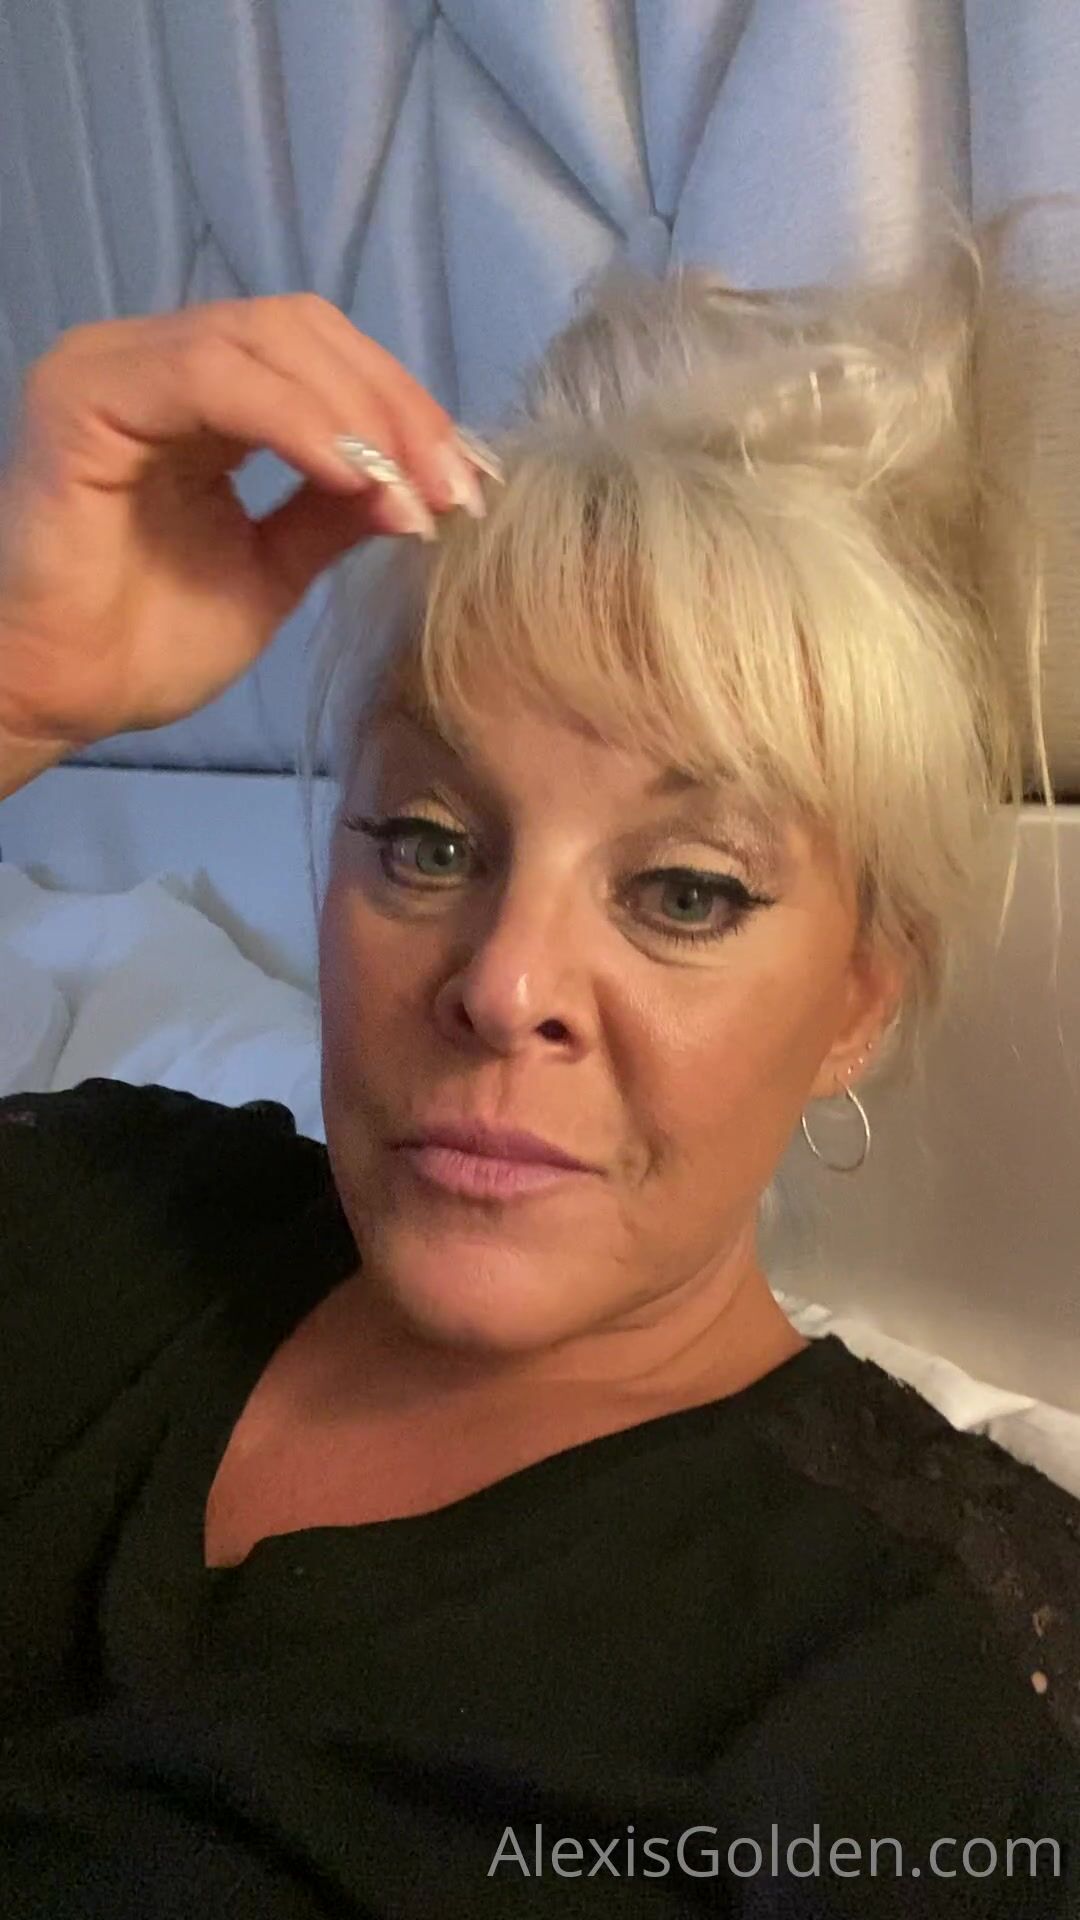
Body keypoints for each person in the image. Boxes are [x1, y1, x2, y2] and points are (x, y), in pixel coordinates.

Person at [0, 259, 1076, 1919]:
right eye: (429, 844)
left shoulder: (927, 1694)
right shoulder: (92, 1204)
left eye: (686, 891)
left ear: (857, 1003)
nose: (503, 986)